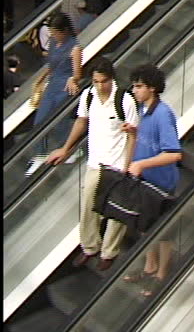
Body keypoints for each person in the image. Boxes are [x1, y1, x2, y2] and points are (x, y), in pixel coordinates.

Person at [46, 57, 139, 271]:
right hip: (96, 162)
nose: (99, 86)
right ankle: (90, 247)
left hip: (117, 164)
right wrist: (66, 148)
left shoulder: (125, 100)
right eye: (96, 81)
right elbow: (81, 121)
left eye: (103, 81)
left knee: (117, 211)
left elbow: (133, 136)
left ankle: (109, 252)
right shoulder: (88, 96)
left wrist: (128, 167)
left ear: (111, 79)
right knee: (88, 204)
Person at [122, 64, 182, 297]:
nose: (134, 91)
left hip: (160, 183)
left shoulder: (163, 114)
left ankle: (161, 274)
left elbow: (174, 153)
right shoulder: (143, 110)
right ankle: (150, 266)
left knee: (162, 231)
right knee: (145, 227)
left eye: (139, 86)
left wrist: (140, 164)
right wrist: (133, 133)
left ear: (152, 89)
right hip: (145, 180)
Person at [28, 12, 82, 175]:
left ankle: (70, 148)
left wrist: (73, 79)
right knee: (39, 120)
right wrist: (40, 79)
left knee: (60, 121)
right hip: (53, 84)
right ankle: (40, 154)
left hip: (65, 86)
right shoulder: (53, 43)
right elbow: (50, 65)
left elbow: (78, 73)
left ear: (64, 30)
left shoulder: (75, 47)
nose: (53, 35)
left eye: (55, 32)